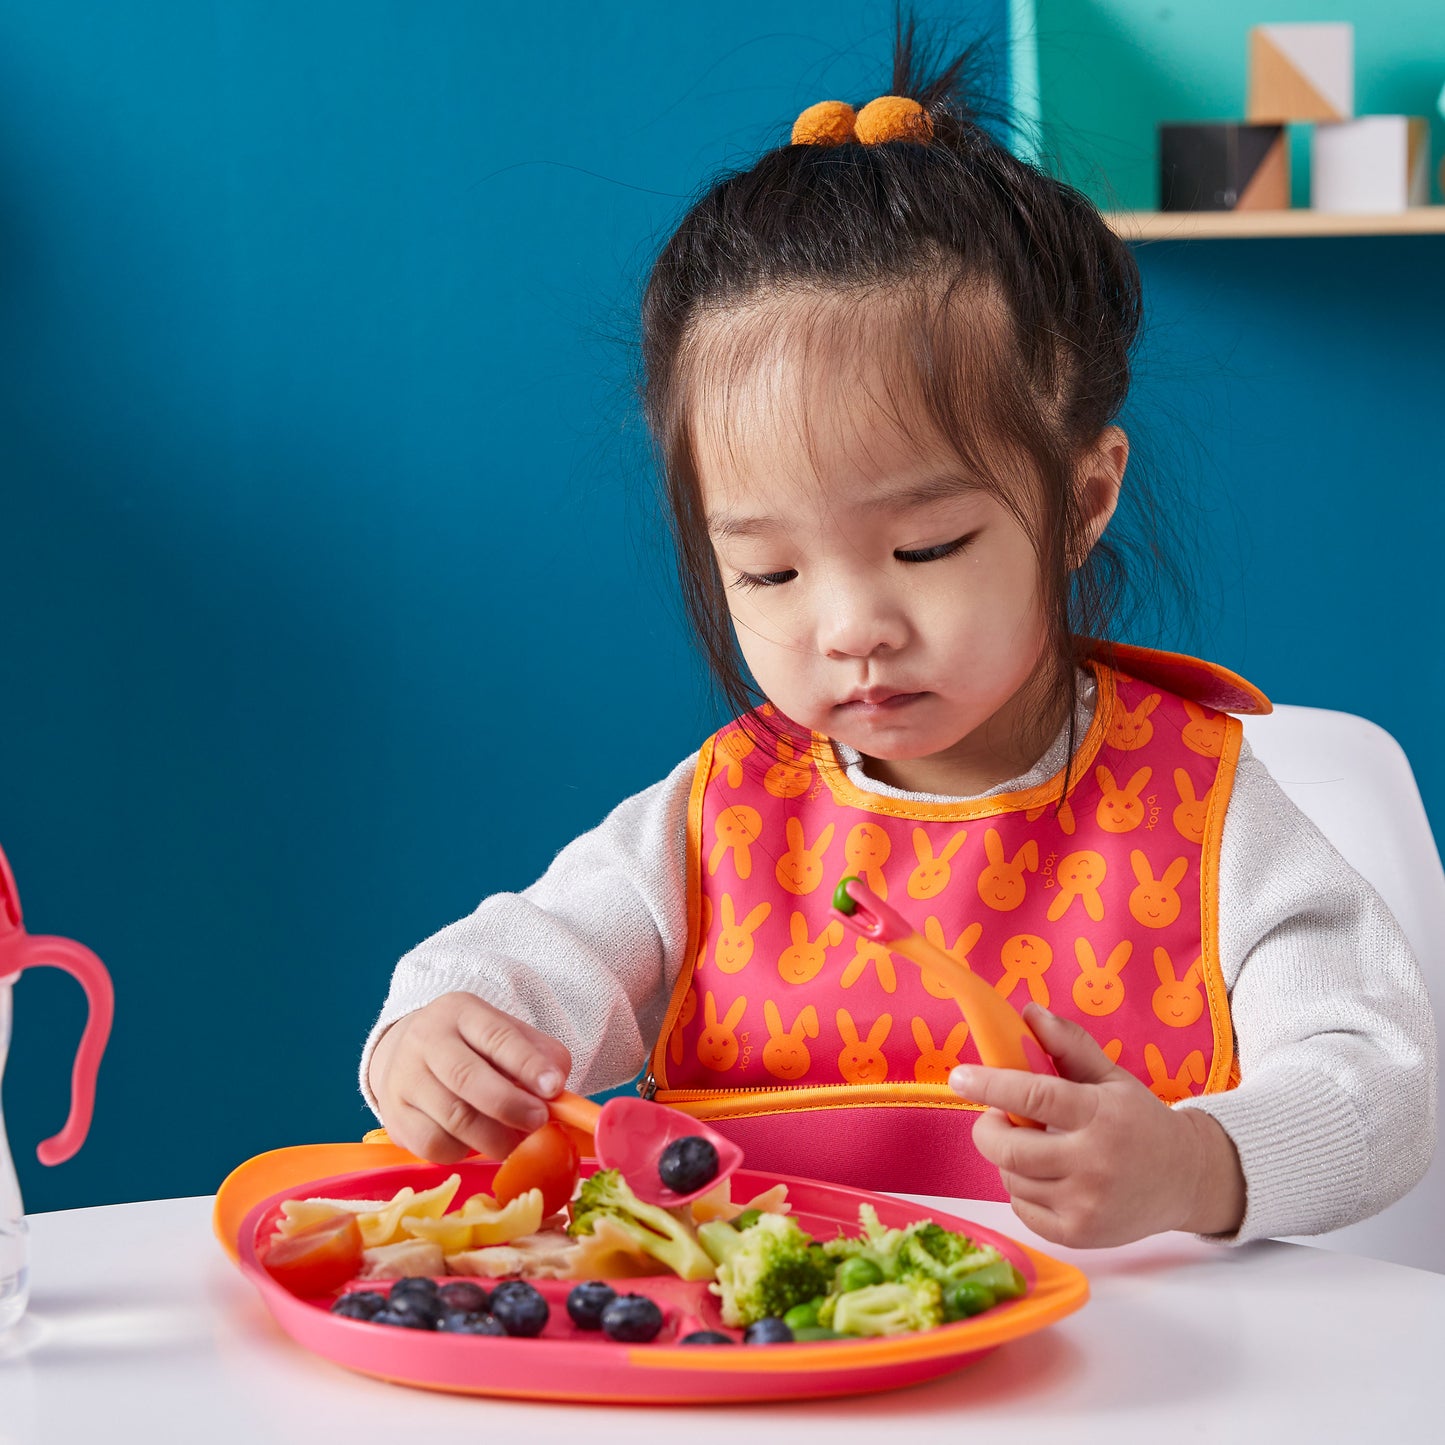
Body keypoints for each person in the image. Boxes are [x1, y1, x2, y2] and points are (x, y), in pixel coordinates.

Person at [361, 22, 1435, 1249]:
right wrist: (438, 1036)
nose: (851, 627)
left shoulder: (1202, 809)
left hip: (1132, 1350)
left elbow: (1381, 1084)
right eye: (767, 570)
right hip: (765, 1346)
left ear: (1082, 498)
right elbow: (518, 960)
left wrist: (1198, 1163)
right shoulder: (714, 819)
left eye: (925, 548)